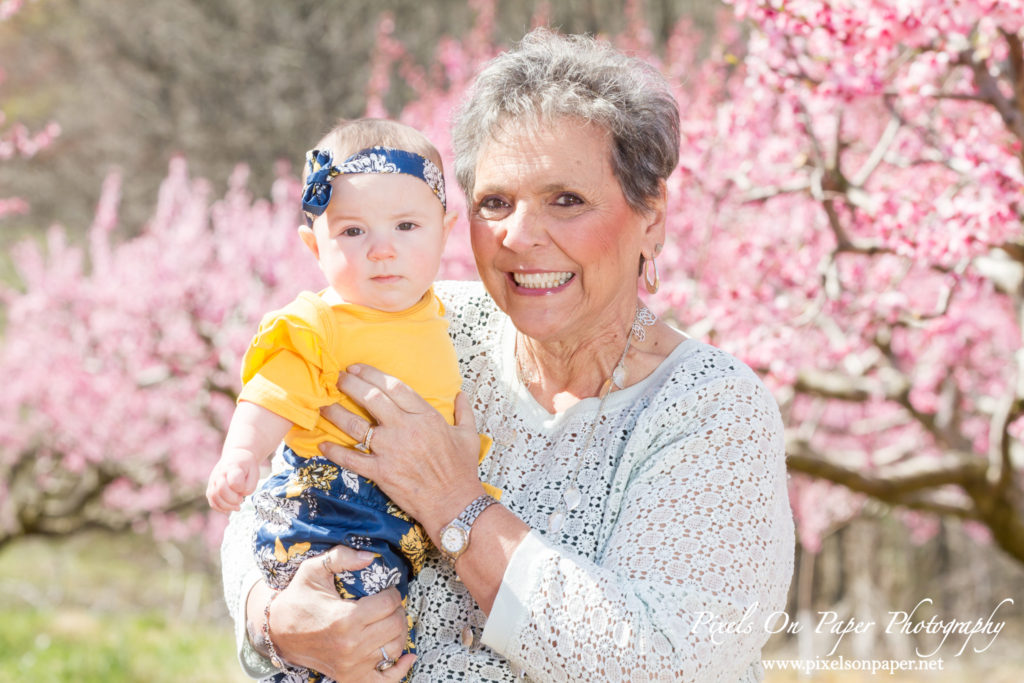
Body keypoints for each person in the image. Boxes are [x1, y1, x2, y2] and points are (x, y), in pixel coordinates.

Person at [221, 28, 794, 682]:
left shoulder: (712, 412)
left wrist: (455, 503)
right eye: (495, 202)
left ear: (652, 215)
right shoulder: (422, 325)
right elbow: (266, 494)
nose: (519, 237)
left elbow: (663, 661)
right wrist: (273, 616)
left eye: (566, 200)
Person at [208, 118, 496, 682]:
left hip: (398, 521)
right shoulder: (321, 322)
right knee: (353, 628)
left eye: (407, 226)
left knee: (383, 626)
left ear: (445, 230)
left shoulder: (436, 309)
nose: (383, 250)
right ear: (315, 245)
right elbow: (271, 392)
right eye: (353, 232)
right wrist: (242, 454)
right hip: (331, 510)